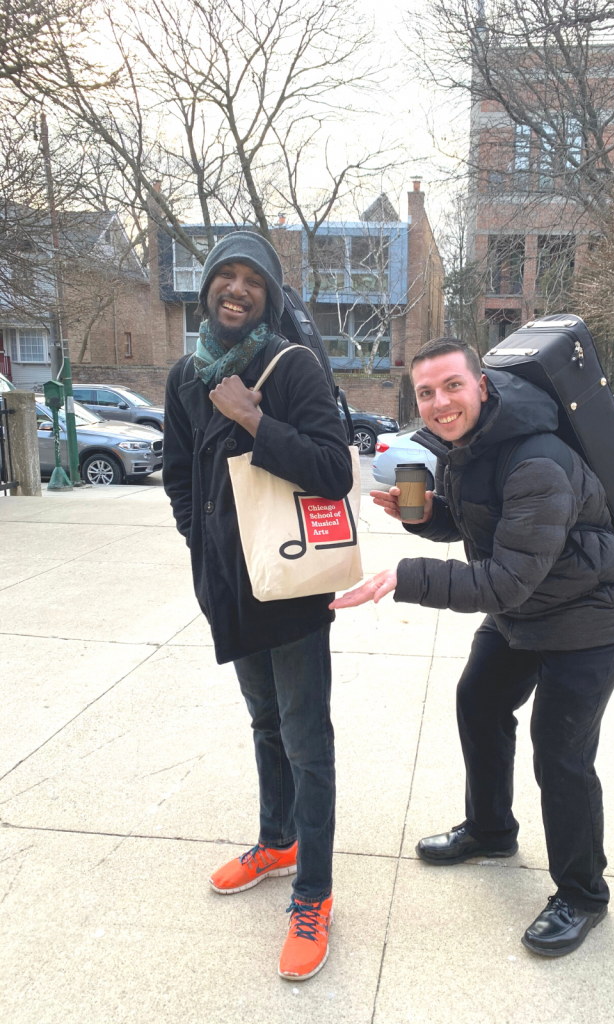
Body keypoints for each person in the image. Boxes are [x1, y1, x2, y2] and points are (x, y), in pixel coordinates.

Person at [331, 337, 614, 958]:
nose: (440, 402)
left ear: (481, 385)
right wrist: (426, 518)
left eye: (452, 386)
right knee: (478, 700)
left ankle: (582, 895)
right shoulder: (465, 446)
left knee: (560, 750)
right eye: (426, 392)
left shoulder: (537, 461)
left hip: (591, 614)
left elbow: (504, 577)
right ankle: (491, 829)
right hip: (531, 605)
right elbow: (489, 527)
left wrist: (406, 574)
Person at [163, 231, 353, 981]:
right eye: (225, 277)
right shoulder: (186, 372)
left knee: (307, 739)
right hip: (231, 591)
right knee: (264, 721)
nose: (236, 289)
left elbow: (334, 470)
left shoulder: (293, 365)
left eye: (252, 281)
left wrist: (253, 420)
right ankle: (277, 843)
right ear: (208, 289)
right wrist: (201, 546)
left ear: (270, 296)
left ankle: (315, 892)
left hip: (294, 587)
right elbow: (179, 475)